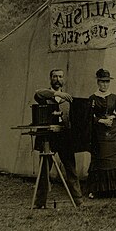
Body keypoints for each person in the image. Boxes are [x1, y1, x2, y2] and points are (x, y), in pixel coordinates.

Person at [33, 68, 83, 207]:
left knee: (71, 169)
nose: (57, 79)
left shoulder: (68, 99)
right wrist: (56, 93)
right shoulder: (44, 95)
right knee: (44, 170)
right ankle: (39, 202)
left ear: (63, 79)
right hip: (48, 138)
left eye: (60, 76)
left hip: (65, 138)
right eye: (55, 76)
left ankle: (78, 201)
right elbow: (37, 93)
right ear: (50, 79)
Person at [87, 68, 116, 198]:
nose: (104, 84)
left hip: (114, 132)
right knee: (102, 157)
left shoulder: (114, 97)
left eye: (107, 82)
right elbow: (88, 117)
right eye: (102, 82)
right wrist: (101, 120)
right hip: (100, 133)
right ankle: (99, 190)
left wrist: (113, 118)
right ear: (98, 82)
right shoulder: (92, 98)